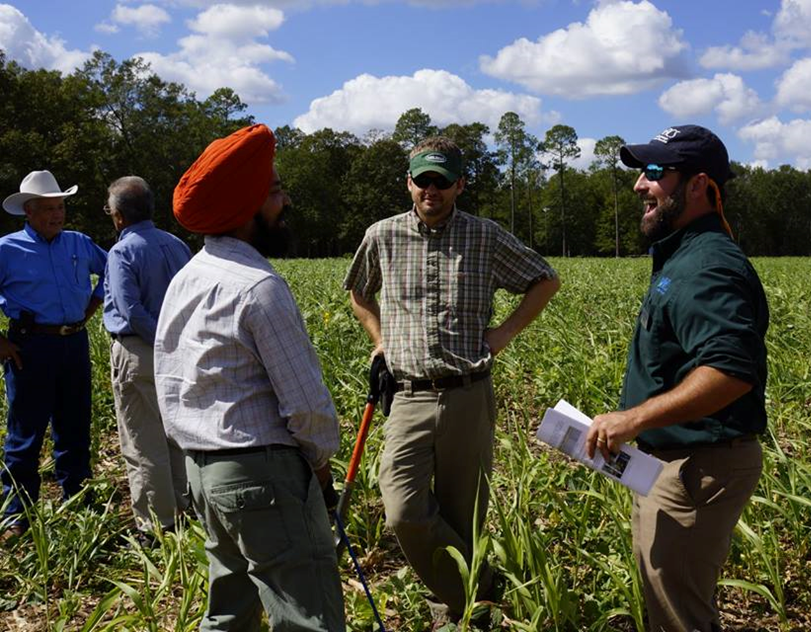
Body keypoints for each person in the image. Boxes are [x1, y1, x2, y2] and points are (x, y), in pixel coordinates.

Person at [344, 136, 560, 622]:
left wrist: (502, 334)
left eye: (442, 181)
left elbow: (545, 279)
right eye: (423, 180)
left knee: (466, 513)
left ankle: (458, 610)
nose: (431, 190)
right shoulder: (383, 235)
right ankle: (478, 591)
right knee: (401, 507)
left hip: (468, 393)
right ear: (409, 183)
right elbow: (359, 291)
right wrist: (379, 340)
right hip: (409, 396)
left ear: (460, 184)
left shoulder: (485, 236)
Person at [154, 124, 345, 631]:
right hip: (263, 476)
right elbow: (304, 404)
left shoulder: (185, 279)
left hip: (203, 473)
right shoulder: (259, 287)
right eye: (276, 192)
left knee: (230, 611)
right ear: (247, 209)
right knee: (308, 616)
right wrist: (321, 467)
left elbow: (169, 383)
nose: (284, 202)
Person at [586, 125, 769, 632]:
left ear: (697, 185)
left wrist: (633, 418)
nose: (640, 185)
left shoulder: (708, 264)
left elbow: (731, 371)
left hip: (697, 469)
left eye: (653, 173)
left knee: (680, 619)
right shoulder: (683, 256)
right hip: (674, 463)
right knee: (670, 607)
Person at [0, 170, 107, 541]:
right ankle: (17, 512)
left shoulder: (78, 243)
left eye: (60, 206)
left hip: (73, 343)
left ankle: (77, 499)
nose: (56, 214)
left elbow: (113, 271)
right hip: (30, 347)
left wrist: (92, 308)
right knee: (25, 432)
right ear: (28, 211)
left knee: (75, 423)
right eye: (48, 208)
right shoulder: (7, 249)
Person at [102, 176, 191, 541]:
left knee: (142, 441)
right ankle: (186, 509)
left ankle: (156, 525)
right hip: (180, 352)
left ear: (119, 217)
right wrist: (176, 343)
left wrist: (161, 341)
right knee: (175, 435)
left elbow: (131, 309)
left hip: (140, 350)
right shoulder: (177, 245)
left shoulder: (122, 253)